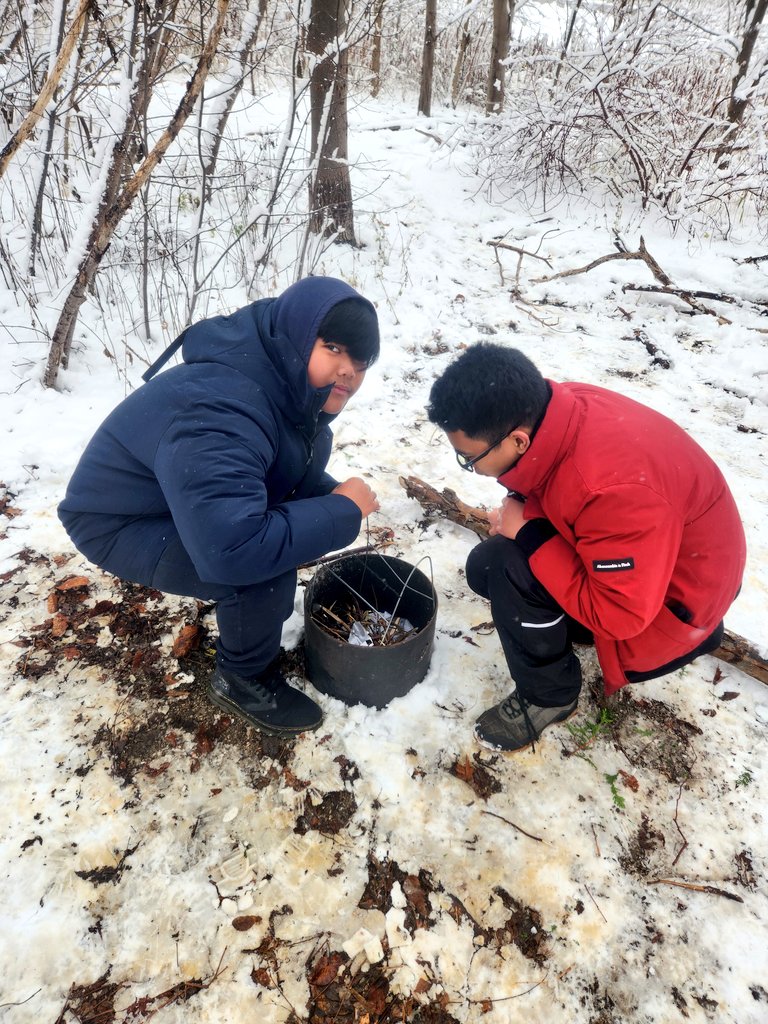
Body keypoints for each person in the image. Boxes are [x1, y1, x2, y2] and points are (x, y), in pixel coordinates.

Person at [59, 276, 380, 737]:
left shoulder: (282, 387)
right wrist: (342, 512)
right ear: (295, 336)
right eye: (333, 348)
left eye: (361, 360)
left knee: (266, 538)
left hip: (171, 500)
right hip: (119, 520)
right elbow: (232, 547)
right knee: (262, 572)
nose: (349, 370)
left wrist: (328, 498)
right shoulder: (222, 406)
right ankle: (242, 680)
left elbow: (275, 471)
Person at [427, 342, 745, 752]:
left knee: (506, 565)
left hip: (675, 610)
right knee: (487, 566)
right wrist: (523, 511)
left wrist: (528, 531)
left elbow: (620, 616)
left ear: (518, 442)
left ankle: (550, 697)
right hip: (658, 567)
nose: (468, 465)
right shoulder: (559, 409)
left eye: (468, 458)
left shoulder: (612, 490)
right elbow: (562, 489)